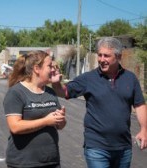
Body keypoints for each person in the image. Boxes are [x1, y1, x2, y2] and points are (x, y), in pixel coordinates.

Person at [52, 37, 147, 168]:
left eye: (106, 56)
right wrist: (56, 83)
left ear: (118, 57)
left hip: (123, 148)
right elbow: (64, 92)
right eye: (100, 55)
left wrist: (144, 129)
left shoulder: (130, 78)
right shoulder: (88, 78)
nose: (101, 59)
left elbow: (139, 105)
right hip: (96, 147)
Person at [3, 50, 66, 168]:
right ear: (37, 69)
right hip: (23, 163)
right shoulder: (16, 93)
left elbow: (59, 125)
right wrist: (46, 121)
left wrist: (61, 120)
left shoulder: (50, 92)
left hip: (51, 161)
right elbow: (15, 127)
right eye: (49, 66)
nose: (53, 69)